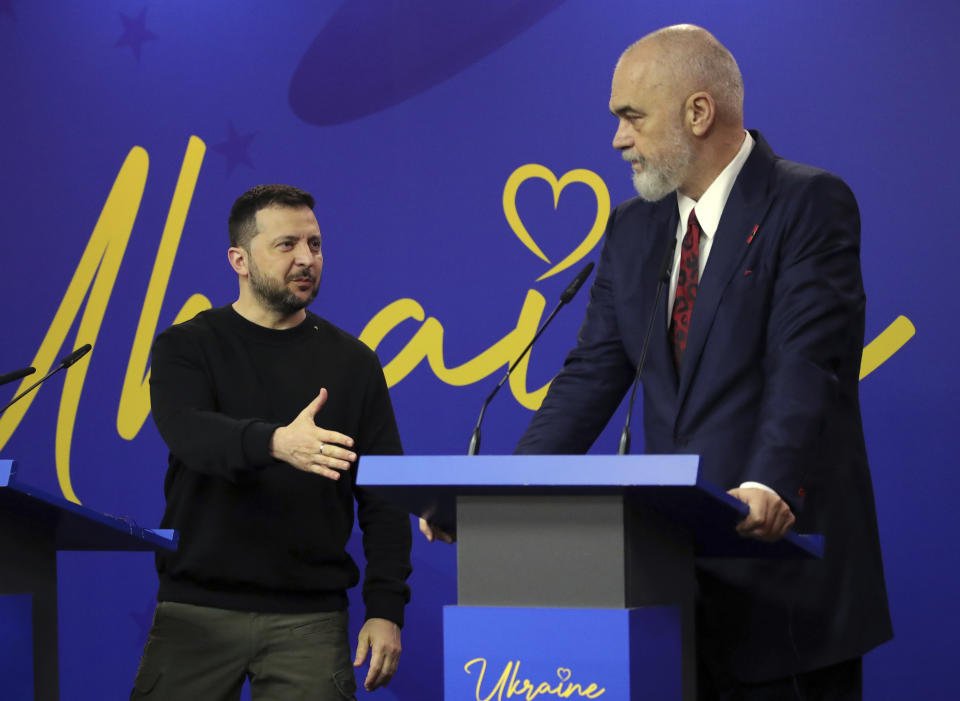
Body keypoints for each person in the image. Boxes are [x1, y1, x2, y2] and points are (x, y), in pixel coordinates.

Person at [422, 24, 892, 700]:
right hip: (668, 592)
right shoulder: (632, 228)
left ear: (698, 112)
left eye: (630, 116)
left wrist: (770, 481)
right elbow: (589, 376)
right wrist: (505, 496)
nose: (617, 138)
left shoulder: (807, 202)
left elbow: (808, 361)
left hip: (787, 583)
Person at [131, 184, 412, 700]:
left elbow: (384, 497)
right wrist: (277, 443)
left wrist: (385, 608)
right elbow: (190, 434)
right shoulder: (186, 347)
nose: (307, 259)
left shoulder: (354, 363)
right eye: (287, 245)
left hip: (310, 619)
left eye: (316, 244)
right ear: (239, 259)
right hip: (195, 613)